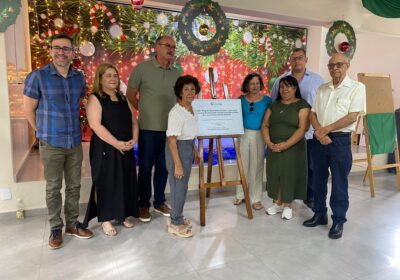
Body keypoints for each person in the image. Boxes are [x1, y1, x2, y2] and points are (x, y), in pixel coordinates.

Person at [23, 34, 93, 249]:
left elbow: (83, 102)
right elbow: (28, 110)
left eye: (66, 48)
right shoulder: (38, 77)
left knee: (74, 185)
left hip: (74, 142)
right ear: (51, 50)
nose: (61, 52)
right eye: (57, 48)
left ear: (73, 53)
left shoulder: (78, 78)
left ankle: (72, 224)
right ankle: (55, 227)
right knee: (53, 187)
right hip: (51, 142)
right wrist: (41, 133)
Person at [303, 53, 366, 239]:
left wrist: (326, 130)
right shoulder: (322, 88)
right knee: (318, 179)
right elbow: (312, 113)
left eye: (339, 64)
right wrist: (319, 131)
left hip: (339, 141)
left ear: (348, 65)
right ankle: (319, 213)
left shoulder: (357, 88)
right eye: (331, 65)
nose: (334, 68)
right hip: (319, 140)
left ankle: (338, 220)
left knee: (339, 182)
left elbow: (352, 116)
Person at [126, 35, 180, 222]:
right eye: (167, 45)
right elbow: (130, 94)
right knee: (146, 167)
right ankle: (143, 205)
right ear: (156, 47)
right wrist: (143, 109)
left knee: (164, 168)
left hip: (169, 131)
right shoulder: (142, 69)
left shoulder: (176, 72)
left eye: (173, 46)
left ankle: (159, 202)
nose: (171, 49)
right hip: (147, 129)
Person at [82, 63, 139, 236]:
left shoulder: (122, 98)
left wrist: (134, 139)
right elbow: (95, 126)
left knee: (124, 181)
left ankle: (120, 215)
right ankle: (105, 218)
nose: (113, 78)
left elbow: (134, 122)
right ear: (100, 79)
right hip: (105, 148)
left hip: (125, 147)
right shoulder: (95, 98)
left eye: (115, 75)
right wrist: (117, 143)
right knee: (106, 182)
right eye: (108, 75)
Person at [271, 48, 324, 209]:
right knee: (288, 167)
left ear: (306, 59)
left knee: (310, 167)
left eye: (300, 58)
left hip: (308, 133)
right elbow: (274, 105)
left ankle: (310, 196)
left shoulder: (317, 80)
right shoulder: (281, 80)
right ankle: (288, 196)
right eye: (293, 59)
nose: (297, 61)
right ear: (290, 61)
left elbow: (321, 105)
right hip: (286, 134)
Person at [261, 76, 310, 220]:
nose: (284, 89)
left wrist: (286, 145)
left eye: (288, 86)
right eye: (282, 87)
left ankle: (288, 205)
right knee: (275, 174)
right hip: (273, 147)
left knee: (289, 175)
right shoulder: (274, 105)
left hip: (293, 147)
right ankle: (277, 203)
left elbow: (302, 129)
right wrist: (268, 142)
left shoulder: (302, 105)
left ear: (295, 88)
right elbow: (265, 125)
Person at [165, 75, 200, 238]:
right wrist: (177, 165)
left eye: (192, 89)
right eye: (186, 89)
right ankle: (175, 223)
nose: (190, 92)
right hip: (177, 151)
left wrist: (195, 150)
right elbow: (172, 141)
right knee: (178, 187)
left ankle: (177, 216)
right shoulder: (176, 112)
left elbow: (190, 134)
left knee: (183, 186)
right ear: (179, 91)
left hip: (187, 148)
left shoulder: (192, 108)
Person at [233, 73, 272, 210]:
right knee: (242, 166)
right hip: (243, 135)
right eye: (252, 83)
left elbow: (270, 121)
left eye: (257, 83)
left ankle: (255, 198)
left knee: (256, 167)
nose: (255, 86)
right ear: (247, 85)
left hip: (259, 136)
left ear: (260, 84)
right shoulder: (240, 100)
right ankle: (240, 195)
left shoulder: (267, 100)